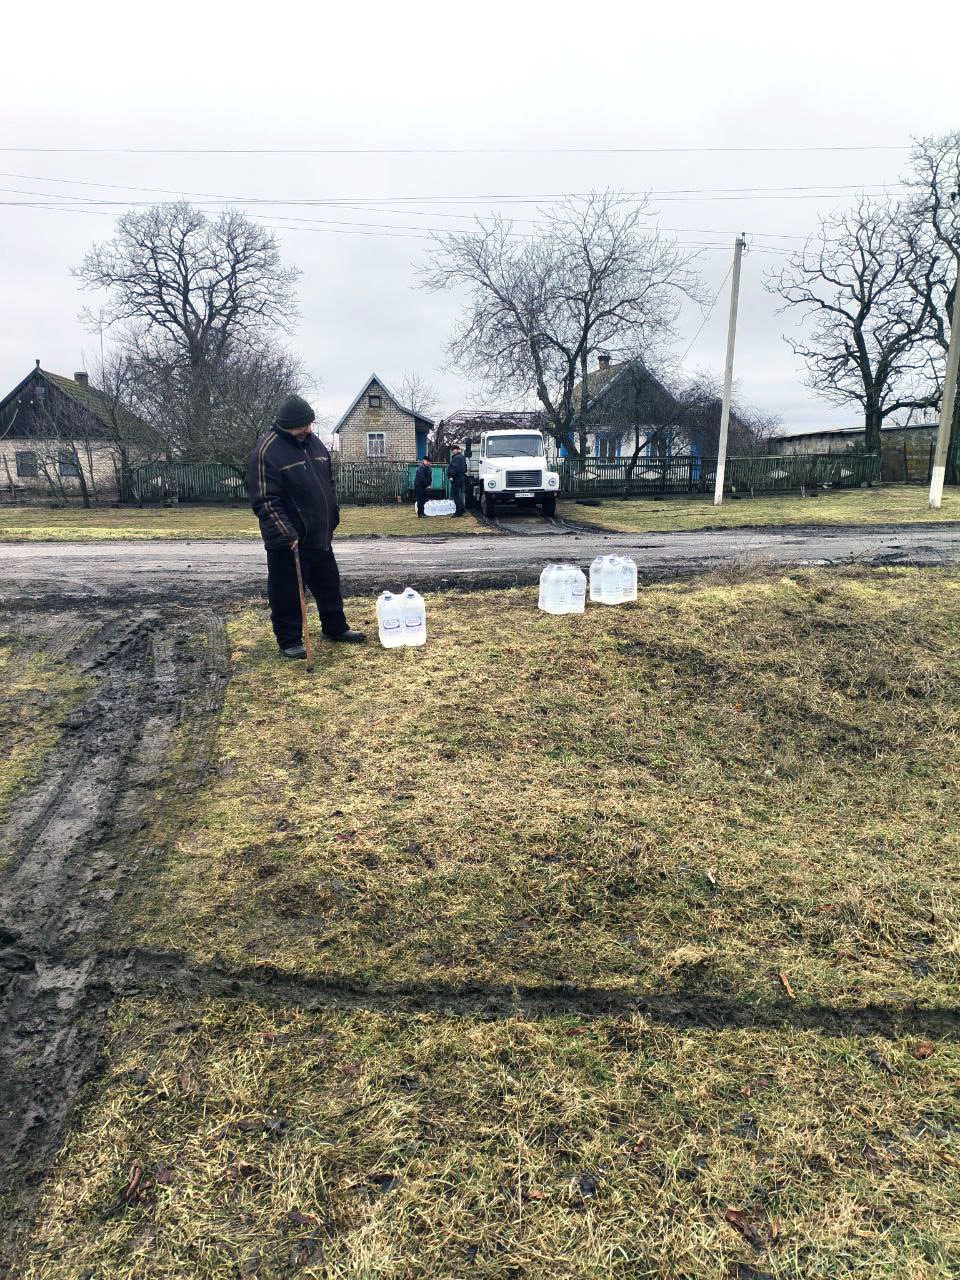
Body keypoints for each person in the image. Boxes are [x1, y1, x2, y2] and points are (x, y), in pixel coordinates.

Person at [247, 393, 365, 658]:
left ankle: (335, 628)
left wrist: (332, 513)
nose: (307, 429)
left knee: (329, 586)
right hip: (289, 540)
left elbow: (328, 482)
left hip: (320, 535)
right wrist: (286, 532)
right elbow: (265, 500)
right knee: (288, 592)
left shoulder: (316, 445)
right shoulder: (268, 451)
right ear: (286, 425)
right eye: (302, 426)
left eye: (309, 424)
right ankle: (289, 641)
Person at [448, 444, 467, 516]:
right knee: (458, 494)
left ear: (457, 449)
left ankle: (458, 511)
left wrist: (451, 476)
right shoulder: (462, 457)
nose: (452, 452)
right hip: (461, 477)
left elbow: (454, 468)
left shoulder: (457, 458)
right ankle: (462, 509)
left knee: (455, 495)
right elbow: (464, 468)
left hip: (456, 478)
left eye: (453, 450)